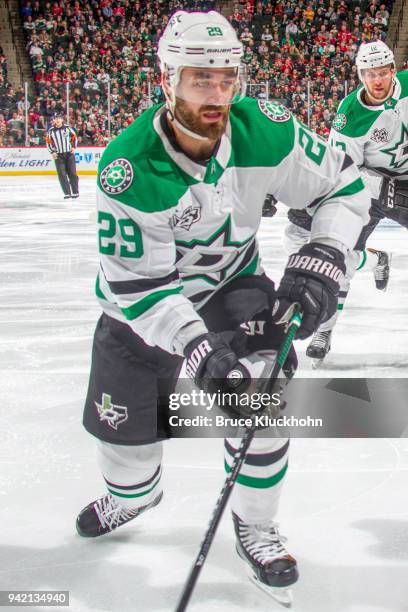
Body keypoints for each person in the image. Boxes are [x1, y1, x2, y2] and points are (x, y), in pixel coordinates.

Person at [75, 10, 369, 603]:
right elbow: (141, 289)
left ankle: (255, 524)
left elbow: (343, 186)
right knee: (125, 458)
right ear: (167, 78)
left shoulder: (265, 129)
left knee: (262, 396)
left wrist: (326, 253)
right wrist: (199, 349)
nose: (216, 93)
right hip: (139, 313)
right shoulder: (128, 168)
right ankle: (135, 495)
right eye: (199, 78)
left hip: (233, 288)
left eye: (226, 77)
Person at [285, 40, 405, 366]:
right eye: (369, 74)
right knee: (342, 258)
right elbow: (343, 171)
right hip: (375, 188)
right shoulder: (349, 116)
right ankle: (325, 329)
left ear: (394, 70)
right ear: (359, 74)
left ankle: (377, 256)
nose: (377, 80)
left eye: (382, 72)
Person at [46, 112, 79, 199]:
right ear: (54, 120)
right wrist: (52, 152)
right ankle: (67, 193)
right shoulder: (51, 131)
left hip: (69, 154)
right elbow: (48, 142)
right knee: (62, 174)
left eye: (59, 118)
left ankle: (75, 192)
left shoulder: (68, 128)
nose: (57, 120)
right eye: (56, 118)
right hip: (58, 156)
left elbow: (74, 137)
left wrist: (74, 147)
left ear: (62, 120)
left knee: (72, 173)